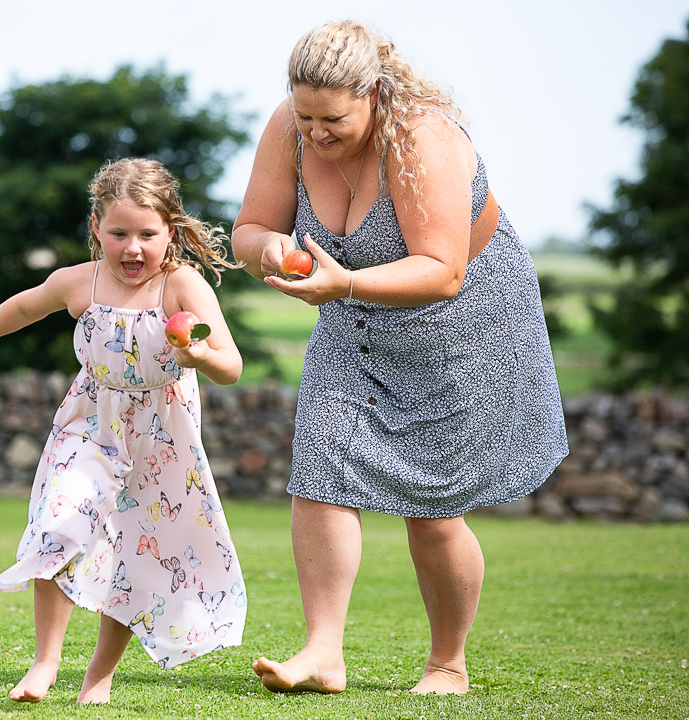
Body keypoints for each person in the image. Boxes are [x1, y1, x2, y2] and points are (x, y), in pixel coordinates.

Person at [231, 21, 568, 696]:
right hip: (353, 321)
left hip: (462, 321)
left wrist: (344, 282)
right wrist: (270, 250)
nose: (316, 133)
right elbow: (248, 229)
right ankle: (323, 653)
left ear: (374, 96)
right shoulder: (290, 128)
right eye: (305, 116)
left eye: (334, 119)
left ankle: (447, 664)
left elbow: (442, 270)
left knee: (433, 506)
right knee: (320, 465)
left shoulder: (424, 138)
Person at [0, 157, 248, 705]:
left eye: (147, 234)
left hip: (160, 436)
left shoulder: (182, 286)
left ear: (170, 232)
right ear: (95, 228)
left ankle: (98, 677)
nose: (133, 248)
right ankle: (44, 663)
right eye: (118, 232)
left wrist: (197, 355)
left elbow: (232, 365)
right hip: (90, 423)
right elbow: (22, 308)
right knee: (59, 520)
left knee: (135, 553)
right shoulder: (81, 282)